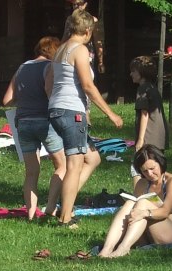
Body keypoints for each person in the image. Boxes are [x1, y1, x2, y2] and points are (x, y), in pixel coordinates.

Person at [46, 9, 123, 228]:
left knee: (93, 158)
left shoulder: (60, 49)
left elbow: (48, 84)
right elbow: (88, 86)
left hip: (57, 110)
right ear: (88, 31)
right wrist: (111, 114)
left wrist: (54, 103)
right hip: (72, 112)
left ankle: (64, 204)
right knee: (74, 165)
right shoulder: (79, 50)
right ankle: (66, 217)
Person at [2, 36, 66, 221]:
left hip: (23, 122)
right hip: (45, 120)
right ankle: (51, 206)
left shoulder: (22, 67)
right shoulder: (50, 67)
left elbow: (6, 100)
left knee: (31, 172)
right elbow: (50, 92)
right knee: (62, 165)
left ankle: (30, 213)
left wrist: (26, 97)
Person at [97, 145, 172, 258]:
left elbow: (165, 211)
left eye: (152, 168)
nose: (149, 174)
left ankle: (123, 248)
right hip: (146, 233)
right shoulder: (142, 183)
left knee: (143, 202)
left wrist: (145, 213)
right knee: (130, 203)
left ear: (160, 163)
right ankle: (106, 249)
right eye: (145, 171)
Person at [129, 55, 169, 186]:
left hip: (149, 136)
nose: (131, 74)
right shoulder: (152, 88)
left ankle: (139, 195)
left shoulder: (143, 89)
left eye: (133, 71)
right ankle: (159, 193)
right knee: (156, 168)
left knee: (137, 167)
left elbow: (144, 114)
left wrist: (140, 140)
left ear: (141, 73)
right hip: (159, 137)